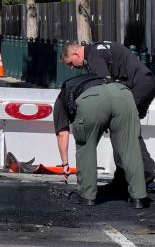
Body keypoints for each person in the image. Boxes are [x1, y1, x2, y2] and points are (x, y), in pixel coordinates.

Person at [62, 41, 155, 190]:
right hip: (145, 83)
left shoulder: (94, 56)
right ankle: (121, 178)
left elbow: (105, 85)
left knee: (123, 126)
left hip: (139, 85)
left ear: (76, 54)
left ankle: (147, 169)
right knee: (120, 126)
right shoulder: (97, 48)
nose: (72, 67)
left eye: (71, 63)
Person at [53, 74, 148, 208]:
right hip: (122, 93)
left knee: (86, 147)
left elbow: (62, 134)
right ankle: (139, 197)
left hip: (91, 100)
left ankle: (87, 195)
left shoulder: (61, 97)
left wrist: (65, 164)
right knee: (130, 147)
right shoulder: (94, 80)